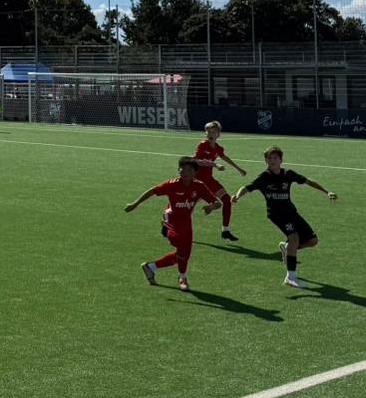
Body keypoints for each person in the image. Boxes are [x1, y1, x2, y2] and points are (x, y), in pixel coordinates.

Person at [232, 145, 339, 288]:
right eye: (269, 158)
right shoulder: (264, 177)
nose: (272, 160)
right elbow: (246, 187)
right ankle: (291, 277)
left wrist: (327, 191)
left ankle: (287, 247)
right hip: (276, 214)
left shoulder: (288, 174)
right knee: (294, 237)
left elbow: (308, 181)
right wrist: (237, 196)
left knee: (313, 241)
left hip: (291, 212)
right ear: (266, 160)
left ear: (281, 160)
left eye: (275, 158)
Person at [125, 156, 224, 292]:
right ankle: (182, 278)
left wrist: (211, 207)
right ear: (178, 170)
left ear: (195, 173)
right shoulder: (171, 184)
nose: (185, 172)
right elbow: (153, 191)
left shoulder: (199, 186)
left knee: (183, 255)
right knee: (180, 245)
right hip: (171, 220)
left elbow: (218, 203)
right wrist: (135, 204)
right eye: (182, 169)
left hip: (186, 222)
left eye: (189, 170)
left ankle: (151, 267)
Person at [194, 120, 247, 242]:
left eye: (213, 132)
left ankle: (225, 230)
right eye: (208, 132)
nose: (210, 134)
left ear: (218, 134)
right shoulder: (203, 145)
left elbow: (225, 157)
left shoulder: (218, 148)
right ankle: (168, 222)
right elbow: (196, 160)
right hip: (197, 180)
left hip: (209, 180)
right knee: (187, 205)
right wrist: (215, 164)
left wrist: (238, 168)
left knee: (227, 200)